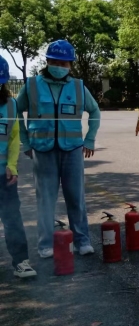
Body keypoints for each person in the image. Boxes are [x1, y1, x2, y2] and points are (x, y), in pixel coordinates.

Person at [16, 39, 101, 258]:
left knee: (76, 197)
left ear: (70, 65)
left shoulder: (78, 87)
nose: (59, 67)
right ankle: (45, 244)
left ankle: (82, 241)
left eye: (64, 64)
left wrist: (90, 139)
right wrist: (25, 141)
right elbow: (15, 112)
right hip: (42, 150)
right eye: (55, 62)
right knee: (45, 199)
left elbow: (95, 111)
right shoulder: (32, 85)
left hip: (72, 150)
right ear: (47, 61)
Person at [0, 56, 35, 278]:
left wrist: (12, 166)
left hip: (4, 174)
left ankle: (21, 262)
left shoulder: (10, 105)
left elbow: (13, 139)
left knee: (12, 217)